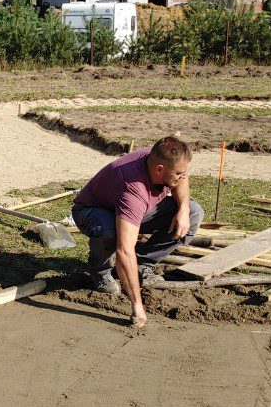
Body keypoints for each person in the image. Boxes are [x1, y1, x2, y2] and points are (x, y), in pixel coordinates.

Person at [71, 136, 204, 328]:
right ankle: (100, 273)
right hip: (94, 211)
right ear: (160, 170)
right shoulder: (132, 189)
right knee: (112, 235)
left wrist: (183, 208)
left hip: (134, 211)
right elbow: (124, 250)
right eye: (178, 173)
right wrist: (137, 305)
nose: (182, 176)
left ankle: (142, 262)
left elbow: (182, 176)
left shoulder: (163, 159)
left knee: (193, 213)